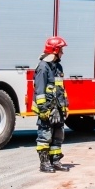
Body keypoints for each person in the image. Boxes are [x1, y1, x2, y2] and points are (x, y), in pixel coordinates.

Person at [32, 36, 69, 173]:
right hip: (47, 108)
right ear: (55, 50)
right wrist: (43, 109)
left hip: (57, 108)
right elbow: (39, 91)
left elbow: (61, 89)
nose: (62, 53)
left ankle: (55, 160)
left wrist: (65, 106)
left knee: (58, 135)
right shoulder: (43, 68)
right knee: (45, 135)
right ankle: (44, 163)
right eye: (61, 50)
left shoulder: (58, 67)